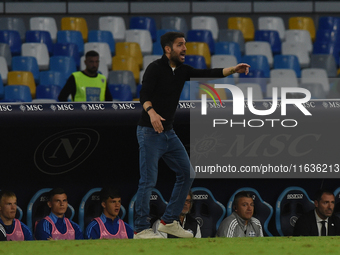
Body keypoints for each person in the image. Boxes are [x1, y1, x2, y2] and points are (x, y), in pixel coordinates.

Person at [134, 31, 250, 239]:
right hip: (149, 132)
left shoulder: (182, 70)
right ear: (168, 49)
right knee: (148, 181)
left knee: (187, 173)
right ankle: (141, 229)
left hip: (168, 133)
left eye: (184, 45)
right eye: (180, 45)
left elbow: (207, 73)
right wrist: (151, 112)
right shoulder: (154, 69)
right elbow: (144, 94)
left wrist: (233, 69)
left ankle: (168, 222)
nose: (185, 49)